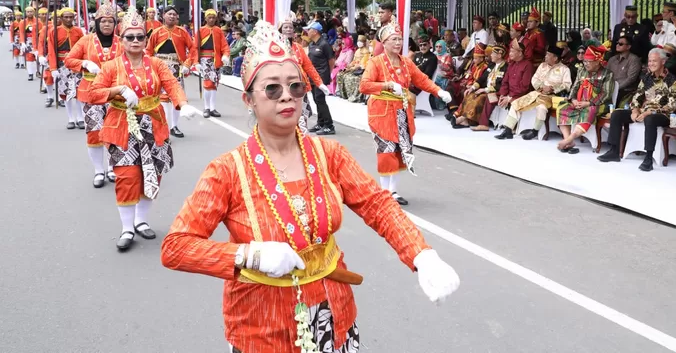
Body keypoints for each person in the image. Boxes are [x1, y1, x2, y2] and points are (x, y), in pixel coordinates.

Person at [160, 19, 459, 353]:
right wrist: (247, 254)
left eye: (296, 87)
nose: (287, 96)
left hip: (334, 313)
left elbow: (378, 204)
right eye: (272, 89)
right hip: (261, 325)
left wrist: (422, 254)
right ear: (249, 100)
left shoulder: (328, 154)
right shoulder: (227, 170)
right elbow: (176, 247)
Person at [89, 7, 199, 251]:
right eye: (130, 37)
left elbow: (171, 84)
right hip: (122, 126)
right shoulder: (111, 67)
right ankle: (127, 227)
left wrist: (183, 104)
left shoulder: (157, 64)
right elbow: (94, 93)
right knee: (127, 177)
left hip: (154, 123)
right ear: (121, 40)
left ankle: (141, 221)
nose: (136, 41)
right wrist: (117, 90)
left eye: (140, 37)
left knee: (152, 174)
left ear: (146, 40)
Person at [359, 22, 452, 205]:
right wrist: (386, 85)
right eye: (394, 39)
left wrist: (438, 91)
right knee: (386, 151)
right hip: (382, 113)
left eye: (400, 39)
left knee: (402, 150)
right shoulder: (375, 62)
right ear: (384, 42)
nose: (398, 42)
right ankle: (384, 191)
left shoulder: (406, 62)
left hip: (402, 111)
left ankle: (393, 191)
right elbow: (364, 86)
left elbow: (422, 80)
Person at [65, 0, 124, 187]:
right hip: (91, 93)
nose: (107, 24)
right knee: (94, 133)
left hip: (116, 93)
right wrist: (83, 63)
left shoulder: (123, 41)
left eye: (110, 21)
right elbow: (69, 59)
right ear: (97, 23)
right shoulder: (86, 41)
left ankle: (112, 167)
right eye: (103, 21)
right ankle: (99, 170)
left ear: (115, 24)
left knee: (115, 131)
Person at [597, 48, 676, 171]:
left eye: (654, 61)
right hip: (642, 111)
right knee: (617, 114)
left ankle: (649, 158)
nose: (651, 64)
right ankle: (614, 151)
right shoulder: (646, 78)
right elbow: (637, 96)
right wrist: (635, 109)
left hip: (662, 115)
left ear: (663, 61)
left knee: (650, 120)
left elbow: (671, 106)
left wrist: (649, 112)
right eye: (649, 61)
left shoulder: (672, 80)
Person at [495, 45, 571, 140]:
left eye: (548, 55)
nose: (546, 56)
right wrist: (541, 87)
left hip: (552, 97)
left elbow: (567, 85)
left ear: (555, 58)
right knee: (516, 103)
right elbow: (534, 79)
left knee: (541, 107)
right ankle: (508, 130)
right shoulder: (542, 65)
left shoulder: (564, 69)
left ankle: (535, 131)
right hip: (537, 93)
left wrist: (552, 88)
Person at [146, 5, 195, 138]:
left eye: (174, 14)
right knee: (162, 98)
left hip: (176, 68)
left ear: (177, 17)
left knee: (176, 97)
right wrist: (149, 66)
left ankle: (174, 126)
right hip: (159, 67)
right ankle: (164, 127)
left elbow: (193, 49)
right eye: (169, 14)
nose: (172, 16)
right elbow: (148, 51)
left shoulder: (182, 32)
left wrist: (187, 64)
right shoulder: (156, 32)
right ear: (163, 16)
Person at [556, 45, 614, 153]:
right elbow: (575, 87)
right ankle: (568, 140)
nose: (585, 63)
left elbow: (606, 94)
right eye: (585, 61)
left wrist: (588, 103)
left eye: (589, 61)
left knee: (590, 109)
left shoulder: (607, 74)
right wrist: (573, 100)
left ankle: (570, 139)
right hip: (579, 101)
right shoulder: (582, 71)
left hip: (598, 104)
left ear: (597, 62)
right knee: (563, 106)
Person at [472, 39, 532, 132]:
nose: (510, 53)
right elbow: (505, 82)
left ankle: (510, 128)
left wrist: (509, 97)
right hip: (507, 94)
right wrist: (503, 94)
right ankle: (483, 124)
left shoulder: (527, 65)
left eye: (512, 51)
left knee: (513, 102)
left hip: (519, 95)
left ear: (520, 53)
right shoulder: (511, 64)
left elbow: (524, 86)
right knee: (491, 97)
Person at [47, 7, 86, 129]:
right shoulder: (54, 31)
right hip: (62, 66)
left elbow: (84, 49)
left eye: (71, 17)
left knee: (79, 92)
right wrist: (53, 68)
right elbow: (52, 51)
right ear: (61, 18)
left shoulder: (79, 31)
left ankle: (80, 118)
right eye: (66, 17)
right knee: (66, 92)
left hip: (77, 64)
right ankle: (70, 118)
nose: (69, 19)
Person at [454, 45, 506, 129]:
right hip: (484, 90)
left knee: (480, 98)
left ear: (499, 55)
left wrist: (484, 90)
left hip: (494, 92)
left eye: (493, 53)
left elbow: (501, 85)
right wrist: (472, 88)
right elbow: (481, 79)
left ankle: (466, 119)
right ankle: (466, 120)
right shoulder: (491, 65)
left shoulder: (505, 67)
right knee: (470, 94)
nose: (490, 55)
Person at [196, 9, 231, 119]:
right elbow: (195, 47)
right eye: (209, 17)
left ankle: (212, 108)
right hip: (205, 59)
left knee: (215, 83)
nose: (211, 19)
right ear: (205, 18)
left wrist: (225, 55)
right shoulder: (200, 31)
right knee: (208, 83)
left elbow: (224, 45)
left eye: (213, 17)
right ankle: (206, 107)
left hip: (216, 59)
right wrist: (195, 61)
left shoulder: (218, 30)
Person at [303, 21, 335, 135]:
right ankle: (320, 122)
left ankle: (329, 125)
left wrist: (329, 74)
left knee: (320, 99)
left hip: (321, 75)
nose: (307, 32)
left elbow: (331, 60)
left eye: (309, 30)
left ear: (315, 31)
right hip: (312, 75)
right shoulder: (312, 44)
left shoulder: (324, 44)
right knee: (317, 100)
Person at [606, 35, 642, 107]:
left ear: (628, 47)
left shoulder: (634, 59)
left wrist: (616, 88)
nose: (617, 45)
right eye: (617, 43)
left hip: (626, 91)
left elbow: (631, 78)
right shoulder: (612, 59)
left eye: (621, 44)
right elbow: (606, 75)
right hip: (611, 89)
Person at [336, 35, 370, 102]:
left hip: (361, 70)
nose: (359, 42)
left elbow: (362, 63)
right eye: (358, 41)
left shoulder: (366, 51)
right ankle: (344, 94)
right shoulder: (357, 51)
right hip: (354, 68)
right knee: (340, 74)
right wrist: (349, 66)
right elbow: (354, 60)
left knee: (351, 78)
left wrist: (353, 67)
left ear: (364, 42)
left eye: (361, 41)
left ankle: (355, 96)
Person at [20, 6, 41, 82]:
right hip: (28, 41)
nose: (29, 13)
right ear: (26, 13)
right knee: (29, 58)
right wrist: (22, 42)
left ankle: (37, 71)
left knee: (38, 58)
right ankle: (30, 73)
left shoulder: (38, 21)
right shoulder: (23, 22)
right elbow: (22, 33)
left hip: (37, 41)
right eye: (28, 12)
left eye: (31, 11)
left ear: (34, 12)